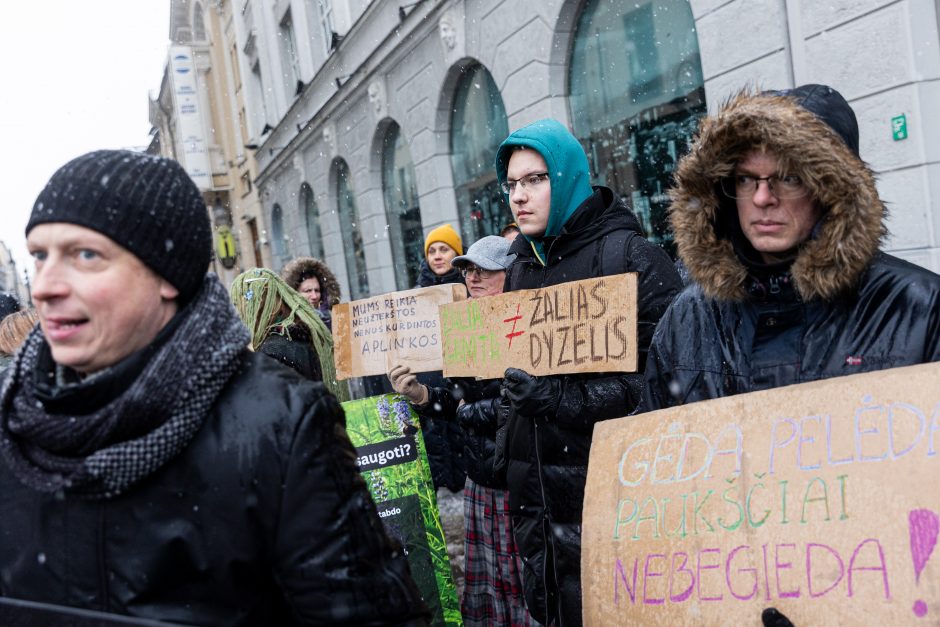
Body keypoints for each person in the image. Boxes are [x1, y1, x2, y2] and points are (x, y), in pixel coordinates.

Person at [0, 150, 427, 625]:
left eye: (85, 256)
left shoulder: (281, 423)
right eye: (39, 256)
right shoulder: (10, 419)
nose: (44, 287)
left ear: (166, 274)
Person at [642, 84, 940, 411]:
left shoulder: (919, 308)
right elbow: (653, 451)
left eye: (788, 179)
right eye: (745, 179)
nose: (762, 198)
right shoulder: (688, 318)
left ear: (829, 191)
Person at [494, 119, 683, 625]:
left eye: (534, 179)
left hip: (613, 512)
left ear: (567, 177)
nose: (519, 196)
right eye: (512, 184)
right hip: (538, 518)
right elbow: (509, 381)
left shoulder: (632, 259)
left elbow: (668, 391)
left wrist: (560, 402)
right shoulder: (518, 270)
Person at [389, 236, 534, 626]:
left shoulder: (532, 317)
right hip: (481, 477)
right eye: (469, 269)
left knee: (527, 586)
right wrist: (420, 394)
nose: (473, 277)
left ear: (510, 273)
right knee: (492, 588)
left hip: (523, 481)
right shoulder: (463, 323)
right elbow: (457, 403)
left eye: (484, 269)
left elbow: (517, 402)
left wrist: (471, 410)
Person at [230, 267, 348, 401]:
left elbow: (276, 406)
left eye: (240, 305)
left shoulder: (274, 348)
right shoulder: (302, 330)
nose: (239, 313)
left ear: (257, 305)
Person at [282, 256, 342, 330]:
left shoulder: (337, 322)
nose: (314, 296)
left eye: (317, 290)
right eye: (308, 291)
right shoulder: (286, 327)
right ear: (294, 293)